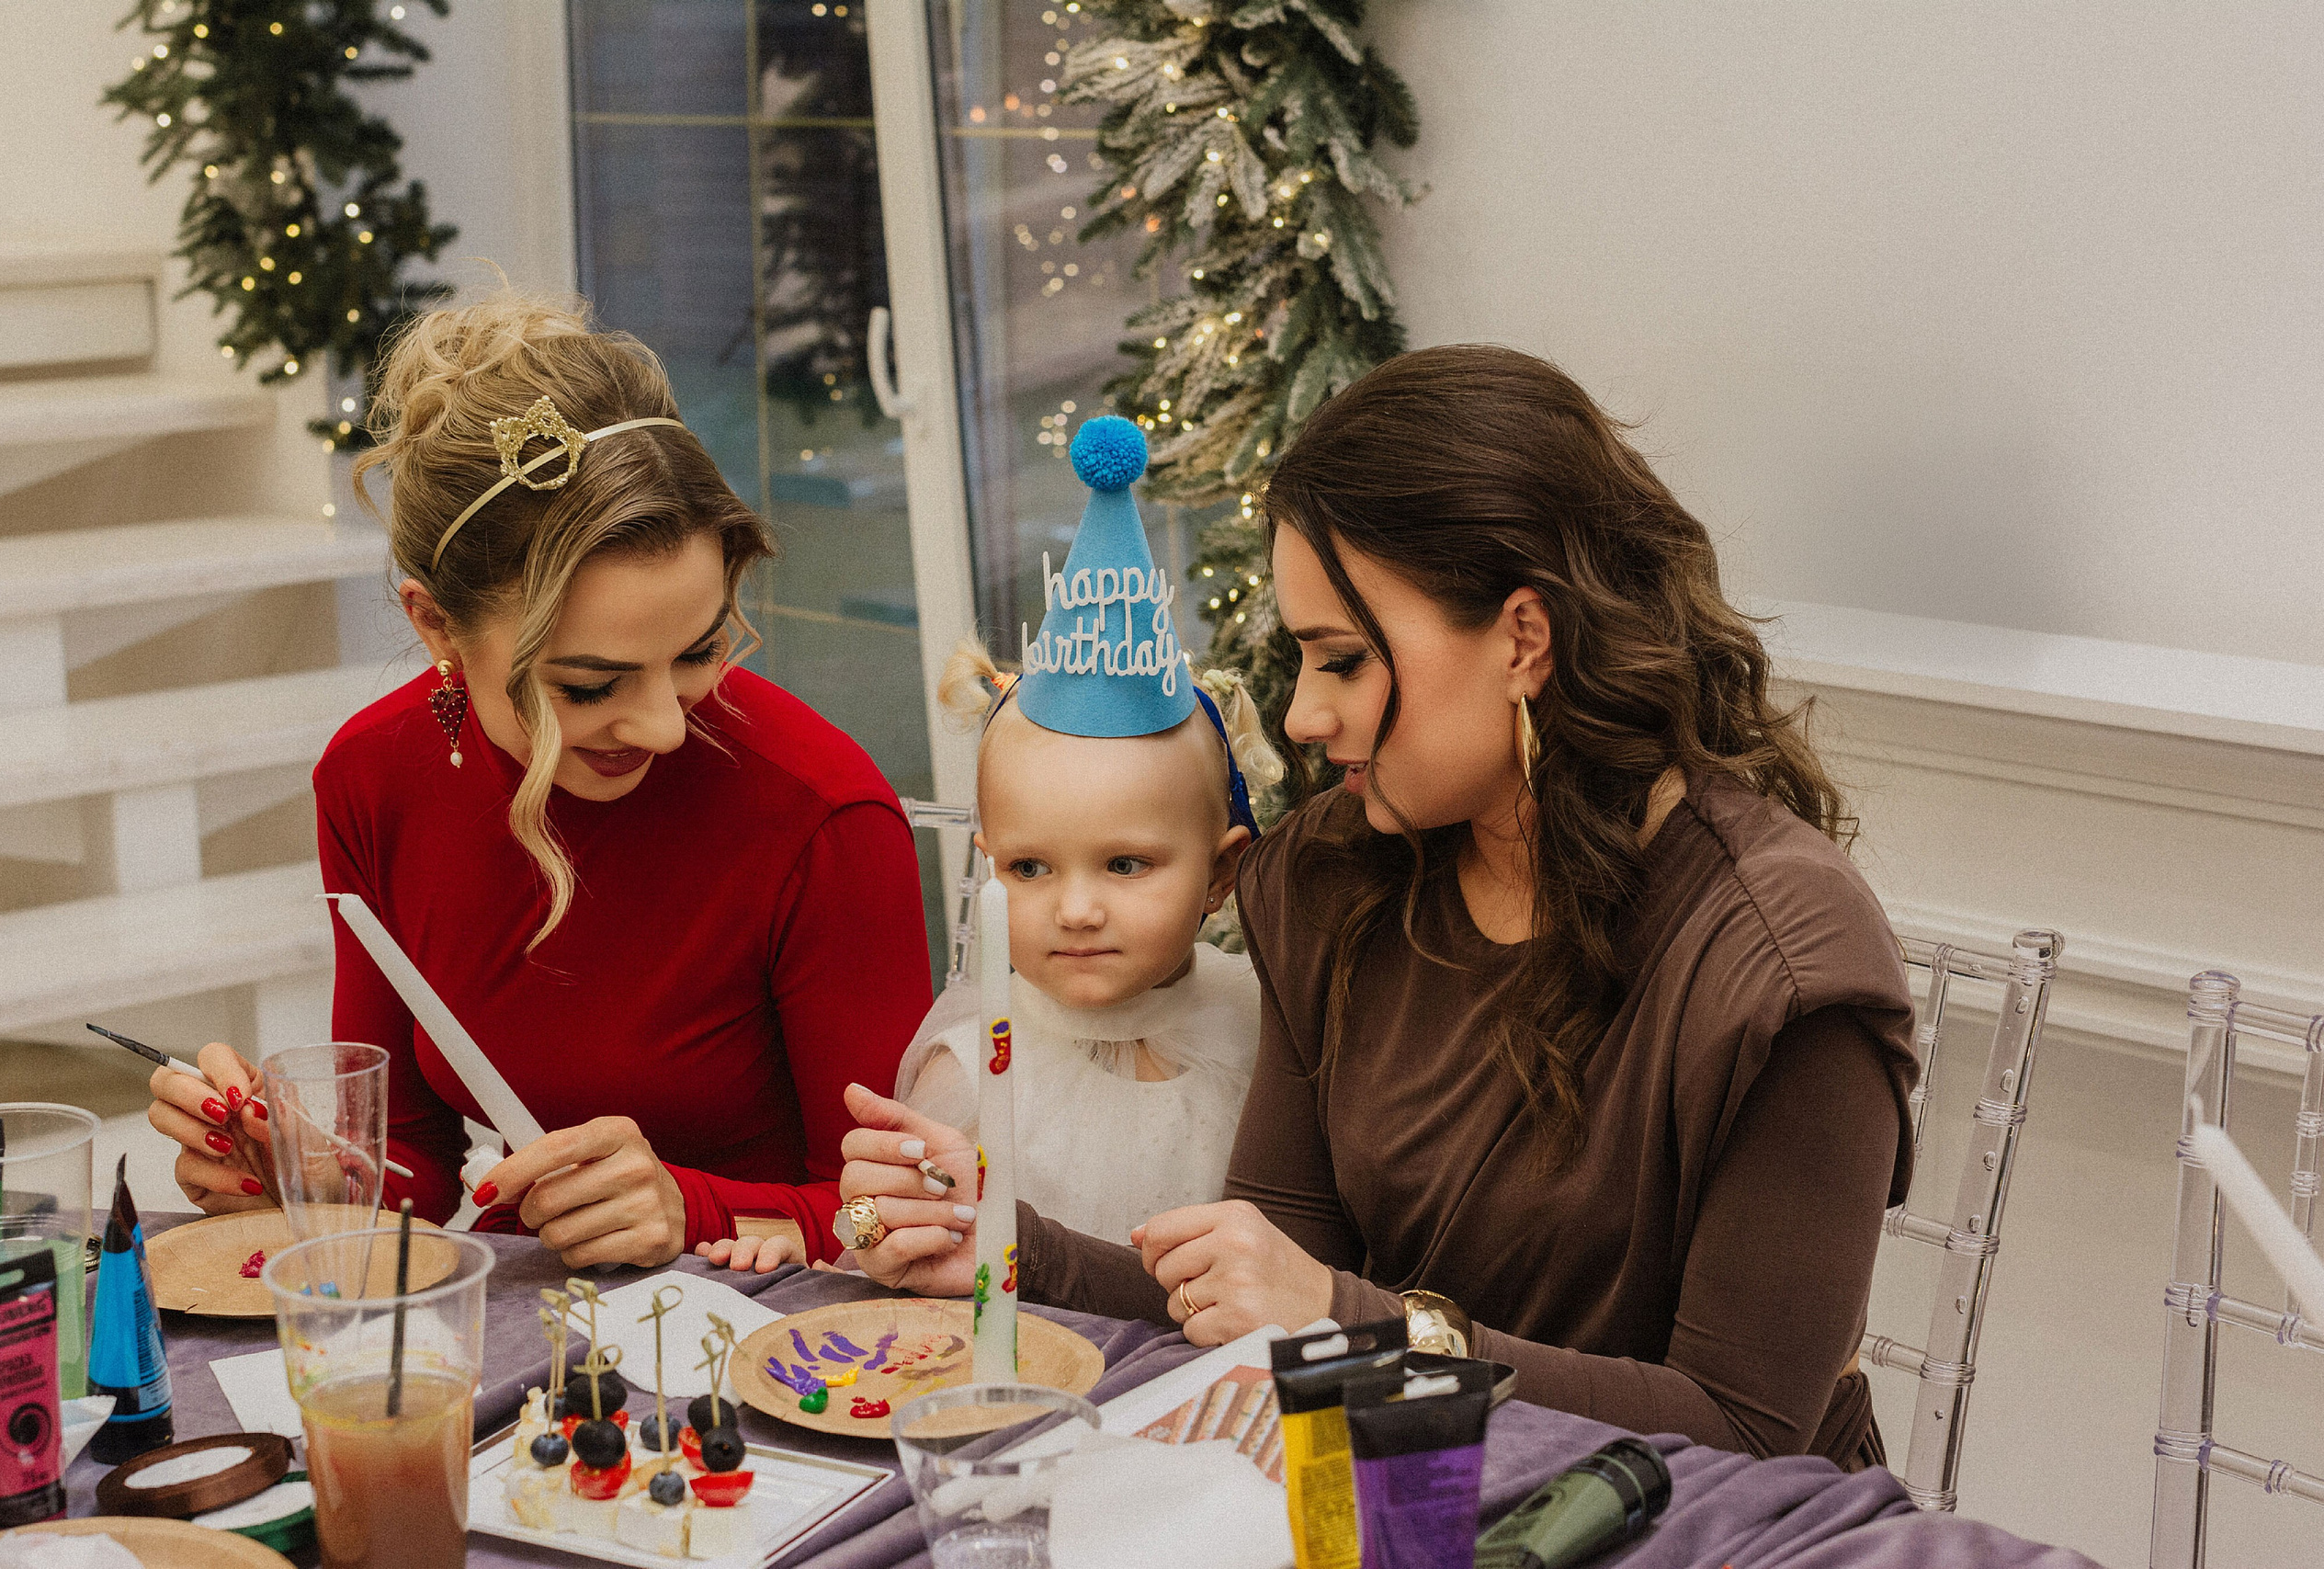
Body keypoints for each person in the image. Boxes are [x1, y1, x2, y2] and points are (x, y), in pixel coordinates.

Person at [831, 346, 1919, 1469]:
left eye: (1342, 662)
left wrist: (1352, 1323)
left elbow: (1742, 1432)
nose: (1301, 716)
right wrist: (1009, 1248)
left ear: (1522, 640)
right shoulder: (1333, 881)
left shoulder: (1779, 968)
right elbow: (1263, 1282)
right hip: (1403, 1497)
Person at [142, 291, 935, 1270]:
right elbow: (423, 1166)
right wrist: (300, 1171)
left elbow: (903, 1217)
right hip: (533, 1337)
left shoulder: (823, 815)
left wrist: (698, 1214)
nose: (661, 726)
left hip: (783, 1362)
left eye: (698, 652)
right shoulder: (371, 779)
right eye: (591, 683)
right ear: (435, 625)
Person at [889, 421, 1282, 1247]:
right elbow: (885, 1244)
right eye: (1029, 866)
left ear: (1221, 874)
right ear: (987, 861)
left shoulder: (1268, 1037)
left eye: (1126, 863)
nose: (1074, 908)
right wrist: (864, 1222)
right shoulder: (967, 1076)